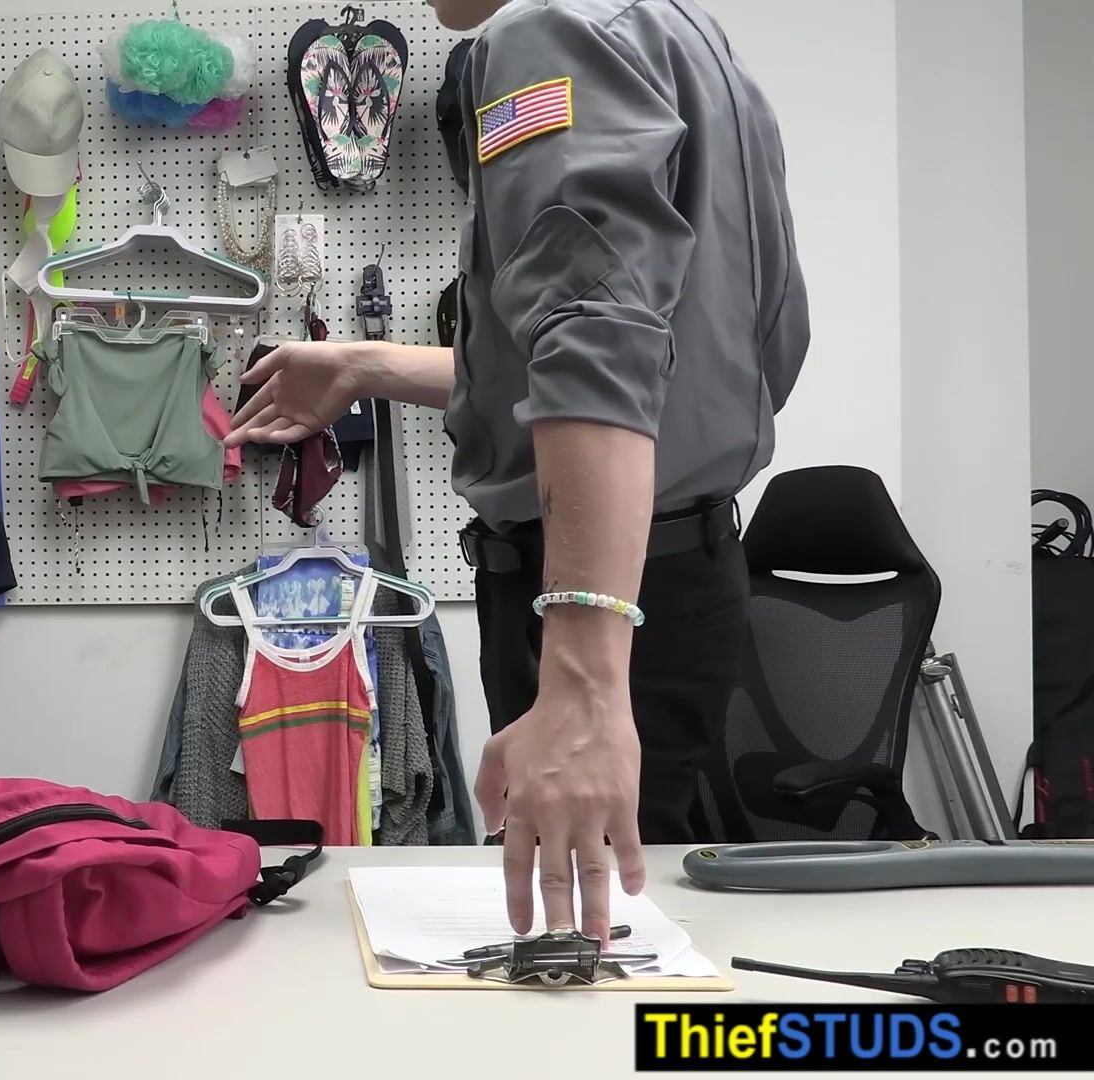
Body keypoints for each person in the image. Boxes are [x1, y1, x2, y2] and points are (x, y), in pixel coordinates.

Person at [228, 0, 807, 944]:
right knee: (624, 933)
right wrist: (366, 365)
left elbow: (596, 348)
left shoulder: (545, 32)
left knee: (584, 952)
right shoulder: (679, 34)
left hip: (591, 593)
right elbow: (674, 364)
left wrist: (582, 684)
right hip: (674, 574)